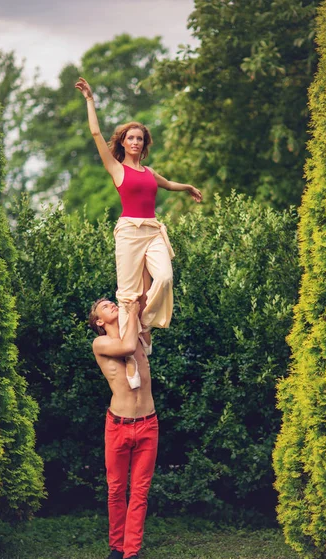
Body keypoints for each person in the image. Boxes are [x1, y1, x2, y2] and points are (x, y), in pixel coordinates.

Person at [75, 77, 202, 389]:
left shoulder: (148, 172)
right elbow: (95, 133)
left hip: (153, 231)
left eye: (140, 139)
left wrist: (187, 188)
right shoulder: (118, 169)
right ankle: (132, 351)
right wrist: (90, 99)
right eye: (130, 138)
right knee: (130, 296)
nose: (135, 142)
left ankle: (145, 325)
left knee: (165, 278)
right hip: (130, 233)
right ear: (123, 142)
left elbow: (169, 184)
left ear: (145, 144)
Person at [89, 297, 158, 559]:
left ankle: (132, 553)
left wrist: (134, 303)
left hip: (148, 424)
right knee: (116, 490)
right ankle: (116, 549)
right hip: (117, 425)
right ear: (98, 322)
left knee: (139, 492)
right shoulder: (102, 344)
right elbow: (126, 346)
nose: (112, 306)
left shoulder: (139, 335)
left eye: (112, 302)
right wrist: (129, 312)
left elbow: (143, 301)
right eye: (105, 307)